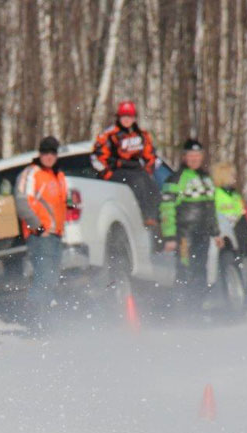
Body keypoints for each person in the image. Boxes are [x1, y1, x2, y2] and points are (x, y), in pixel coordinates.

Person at [15, 135, 69, 330]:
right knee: (43, 278)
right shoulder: (31, 173)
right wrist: (37, 228)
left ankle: (46, 322)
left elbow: (61, 202)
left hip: (56, 235)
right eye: (45, 152)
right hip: (40, 236)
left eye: (52, 152)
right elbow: (22, 203)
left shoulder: (58, 175)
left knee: (52, 280)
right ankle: (33, 321)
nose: (49, 156)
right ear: (40, 154)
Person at [160, 138, 222, 309]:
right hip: (184, 233)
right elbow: (167, 208)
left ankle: (198, 307)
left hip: (203, 233)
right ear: (184, 157)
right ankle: (183, 309)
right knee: (185, 269)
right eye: (190, 155)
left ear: (202, 156)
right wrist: (170, 236)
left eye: (197, 155)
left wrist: (216, 232)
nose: (194, 159)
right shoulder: (176, 179)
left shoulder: (206, 179)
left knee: (201, 269)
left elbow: (211, 207)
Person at [91, 100, 162, 230]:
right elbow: (97, 156)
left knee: (152, 185)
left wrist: (148, 169)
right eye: (124, 116)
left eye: (130, 116)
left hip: (136, 169)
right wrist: (107, 173)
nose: (127, 120)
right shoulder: (109, 134)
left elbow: (150, 155)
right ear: (118, 117)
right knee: (138, 182)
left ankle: (156, 218)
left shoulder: (141, 134)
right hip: (117, 171)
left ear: (134, 118)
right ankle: (145, 215)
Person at [211, 161, 247, 259]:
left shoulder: (235, 194)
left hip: (239, 238)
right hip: (225, 239)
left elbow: (242, 218)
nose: (234, 177)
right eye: (231, 174)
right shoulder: (216, 194)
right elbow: (215, 217)